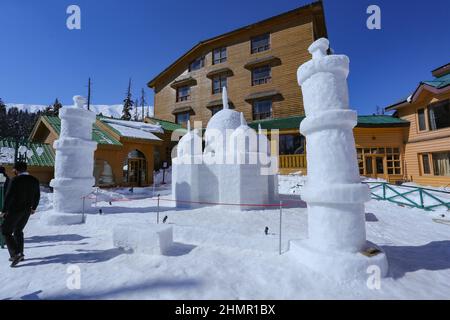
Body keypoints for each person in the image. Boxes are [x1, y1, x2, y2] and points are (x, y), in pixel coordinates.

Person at [0, 162, 40, 267]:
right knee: (18, 230)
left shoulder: (15, 180)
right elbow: (37, 195)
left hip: (14, 210)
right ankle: (20, 254)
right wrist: (34, 208)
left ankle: (15, 254)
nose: (13, 171)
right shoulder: (34, 180)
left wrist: (4, 210)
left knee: (5, 230)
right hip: (27, 210)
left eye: (13, 169)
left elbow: (9, 196)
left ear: (16, 170)